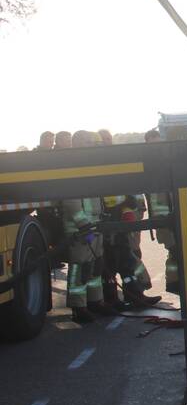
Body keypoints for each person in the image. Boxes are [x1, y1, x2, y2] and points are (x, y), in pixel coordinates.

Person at [60, 130, 106, 322]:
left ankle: (95, 301)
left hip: (94, 225)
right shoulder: (70, 165)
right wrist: (83, 225)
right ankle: (78, 308)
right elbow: (70, 200)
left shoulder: (89, 164)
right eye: (88, 142)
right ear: (78, 143)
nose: (92, 145)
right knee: (79, 269)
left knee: (94, 266)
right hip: (80, 230)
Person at [144, 128, 183, 294]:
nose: (157, 148)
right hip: (161, 217)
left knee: (178, 250)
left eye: (159, 143)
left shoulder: (167, 161)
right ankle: (174, 282)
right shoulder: (146, 164)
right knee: (174, 249)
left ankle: (175, 281)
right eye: (153, 144)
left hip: (174, 214)